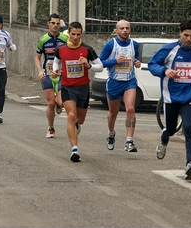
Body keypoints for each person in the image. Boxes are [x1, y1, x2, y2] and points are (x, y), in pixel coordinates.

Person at [148, 19, 191, 180]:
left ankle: (190, 164)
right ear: (180, 33)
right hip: (171, 96)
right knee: (171, 129)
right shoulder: (169, 49)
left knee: (189, 127)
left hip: (189, 95)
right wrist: (164, 71)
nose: (189, 39)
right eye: (186, 35)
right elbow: (152, 64)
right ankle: (164, 138)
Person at [52, 21, 103, 162]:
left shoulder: (87, 49)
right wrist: (56, 70)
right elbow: (56, 61)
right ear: (68, 33)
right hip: (68, 87)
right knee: (71, 116)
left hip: (83, 88)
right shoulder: (61, 48)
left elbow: (100, 66)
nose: (75, 37)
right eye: (73, 34)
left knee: (80, 119)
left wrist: (89, 65)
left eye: (78, 35)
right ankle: (74, 149)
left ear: (81, 34)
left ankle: (77, 125)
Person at [99, 20, 141, 152]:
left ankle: (129, 141)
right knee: (113, 112)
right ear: (116, 31)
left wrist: (137, 62)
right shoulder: (111, 45)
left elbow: (137, 58)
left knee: (130, 109)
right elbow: (100, 63)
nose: (125, 30)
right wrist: (115, 61)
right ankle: (111, 134)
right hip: (114, 82)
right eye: (122, 28)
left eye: (127, 28)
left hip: (129, 81)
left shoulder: (135, 44)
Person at [35, 13, 68, 138]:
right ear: (48, 23)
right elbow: (37, 58)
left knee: (61, 101)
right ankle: (51, 128)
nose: (55, 26)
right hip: (48, 74)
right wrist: (40, 71)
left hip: (61, 74)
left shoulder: (65, 39)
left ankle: (59, 104)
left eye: (58, 23)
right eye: (53, 23)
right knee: (50, 103)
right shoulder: (43, 40)